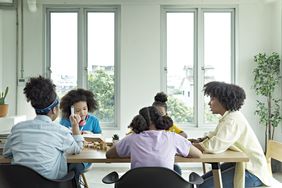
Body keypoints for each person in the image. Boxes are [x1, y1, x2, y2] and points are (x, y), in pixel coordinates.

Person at [3, 76, 83, 186]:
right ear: (54, 109)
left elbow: (6, 153)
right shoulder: (60, 131)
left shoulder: (17, 129)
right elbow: (77, 149)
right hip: (50, 185)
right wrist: (75, 126)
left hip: (19, 184)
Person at [192, 81, 272, 188]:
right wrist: (200, 140)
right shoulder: (229, 117)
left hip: (253, 172)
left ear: (224, 101)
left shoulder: (232, 120)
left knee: (203, 186)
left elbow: (214, 146)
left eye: (212, 99)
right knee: (200, 182)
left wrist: (188, 147)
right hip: (243, 165)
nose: (209, 103)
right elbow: (214, 136)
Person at [106, 106, 202, 173]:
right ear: (160, 119)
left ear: (139, 120)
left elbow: (109, 154)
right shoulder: (173, 137)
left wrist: (132, 152)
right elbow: (198, 154)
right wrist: (174, 152)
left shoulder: (131, 138)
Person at [59, 88, 102, 171]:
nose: (82, 113)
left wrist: (91, 135)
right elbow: (61, 140)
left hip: (86, 156)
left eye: (84, 109)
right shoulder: (65, 121)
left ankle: (73, 183)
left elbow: (100, 138)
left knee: (75, 168)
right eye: (78, 110)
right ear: (71, 111)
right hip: (69, 154)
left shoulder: (93, 120)